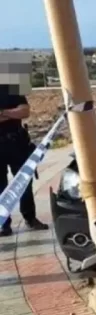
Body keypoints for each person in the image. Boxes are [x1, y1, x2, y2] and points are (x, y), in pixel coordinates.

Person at [0, 88, 49, 236]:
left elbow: (25, 111)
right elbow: (18, 112)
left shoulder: (9, 88)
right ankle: (4, 224)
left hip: (16, 143)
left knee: (24, 182)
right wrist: (11, 113)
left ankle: (30, 218)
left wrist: (2, 113)